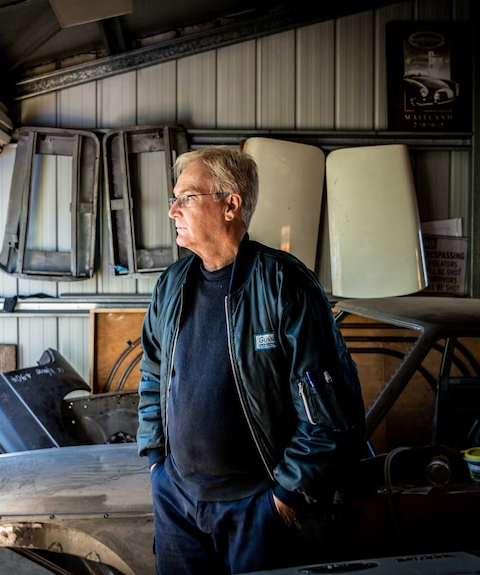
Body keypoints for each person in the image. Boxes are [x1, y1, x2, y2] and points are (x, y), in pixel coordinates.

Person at [137, 146, 366, 574]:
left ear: (230, 204)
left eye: (185, 197)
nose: (172, 211)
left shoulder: (284, 284)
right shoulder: (171, 285)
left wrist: (285, 500)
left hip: (257, 510)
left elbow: (330, 409)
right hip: (178, 503)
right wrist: (156, 462)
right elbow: (152, 373)